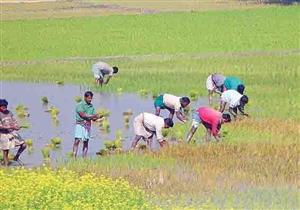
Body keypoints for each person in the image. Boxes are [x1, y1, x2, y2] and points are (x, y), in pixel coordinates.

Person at [73, 91, 102, 158]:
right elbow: (83, 115)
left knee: (86, 142)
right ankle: (74, 157)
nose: (90, 99)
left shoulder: (91, 106)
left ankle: (84, 157)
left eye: (91, 98)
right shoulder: (80, 105)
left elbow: (93, 118)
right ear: (85, 97)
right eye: (89, 98)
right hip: (80, 125)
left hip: (87, 125)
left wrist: (98, 117)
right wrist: (94, 116)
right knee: (77, 141)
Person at [0, 99, 27, 166]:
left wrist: (17, 126)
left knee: (24, 145)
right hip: (3, 134)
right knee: (6, 151)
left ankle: (16, 157)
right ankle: (6, 166)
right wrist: (10, 127)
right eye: (2, 106)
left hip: (12, 133)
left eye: (5, 106)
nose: (4, 107)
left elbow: (14, 121)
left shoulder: (9, 112)